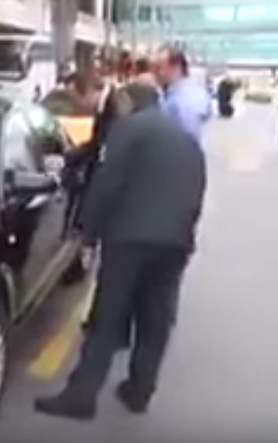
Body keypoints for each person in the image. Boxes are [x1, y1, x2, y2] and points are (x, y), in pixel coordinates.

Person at [34, 88, 206, 421]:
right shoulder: (186, 140)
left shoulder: (129, 129)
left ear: (128, 103)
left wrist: (87, 231)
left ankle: (80, 398)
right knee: (156, 319)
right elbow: (197, 189)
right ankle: (140, 390)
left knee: (107, 317)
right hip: (174, 243)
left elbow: (107, 181)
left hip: (129, 239)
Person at [154, 48, 212, 142]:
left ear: (177, 68)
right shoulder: (198, 93)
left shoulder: (184, 100)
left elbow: (188, 137)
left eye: (160, 68)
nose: (156, 74)